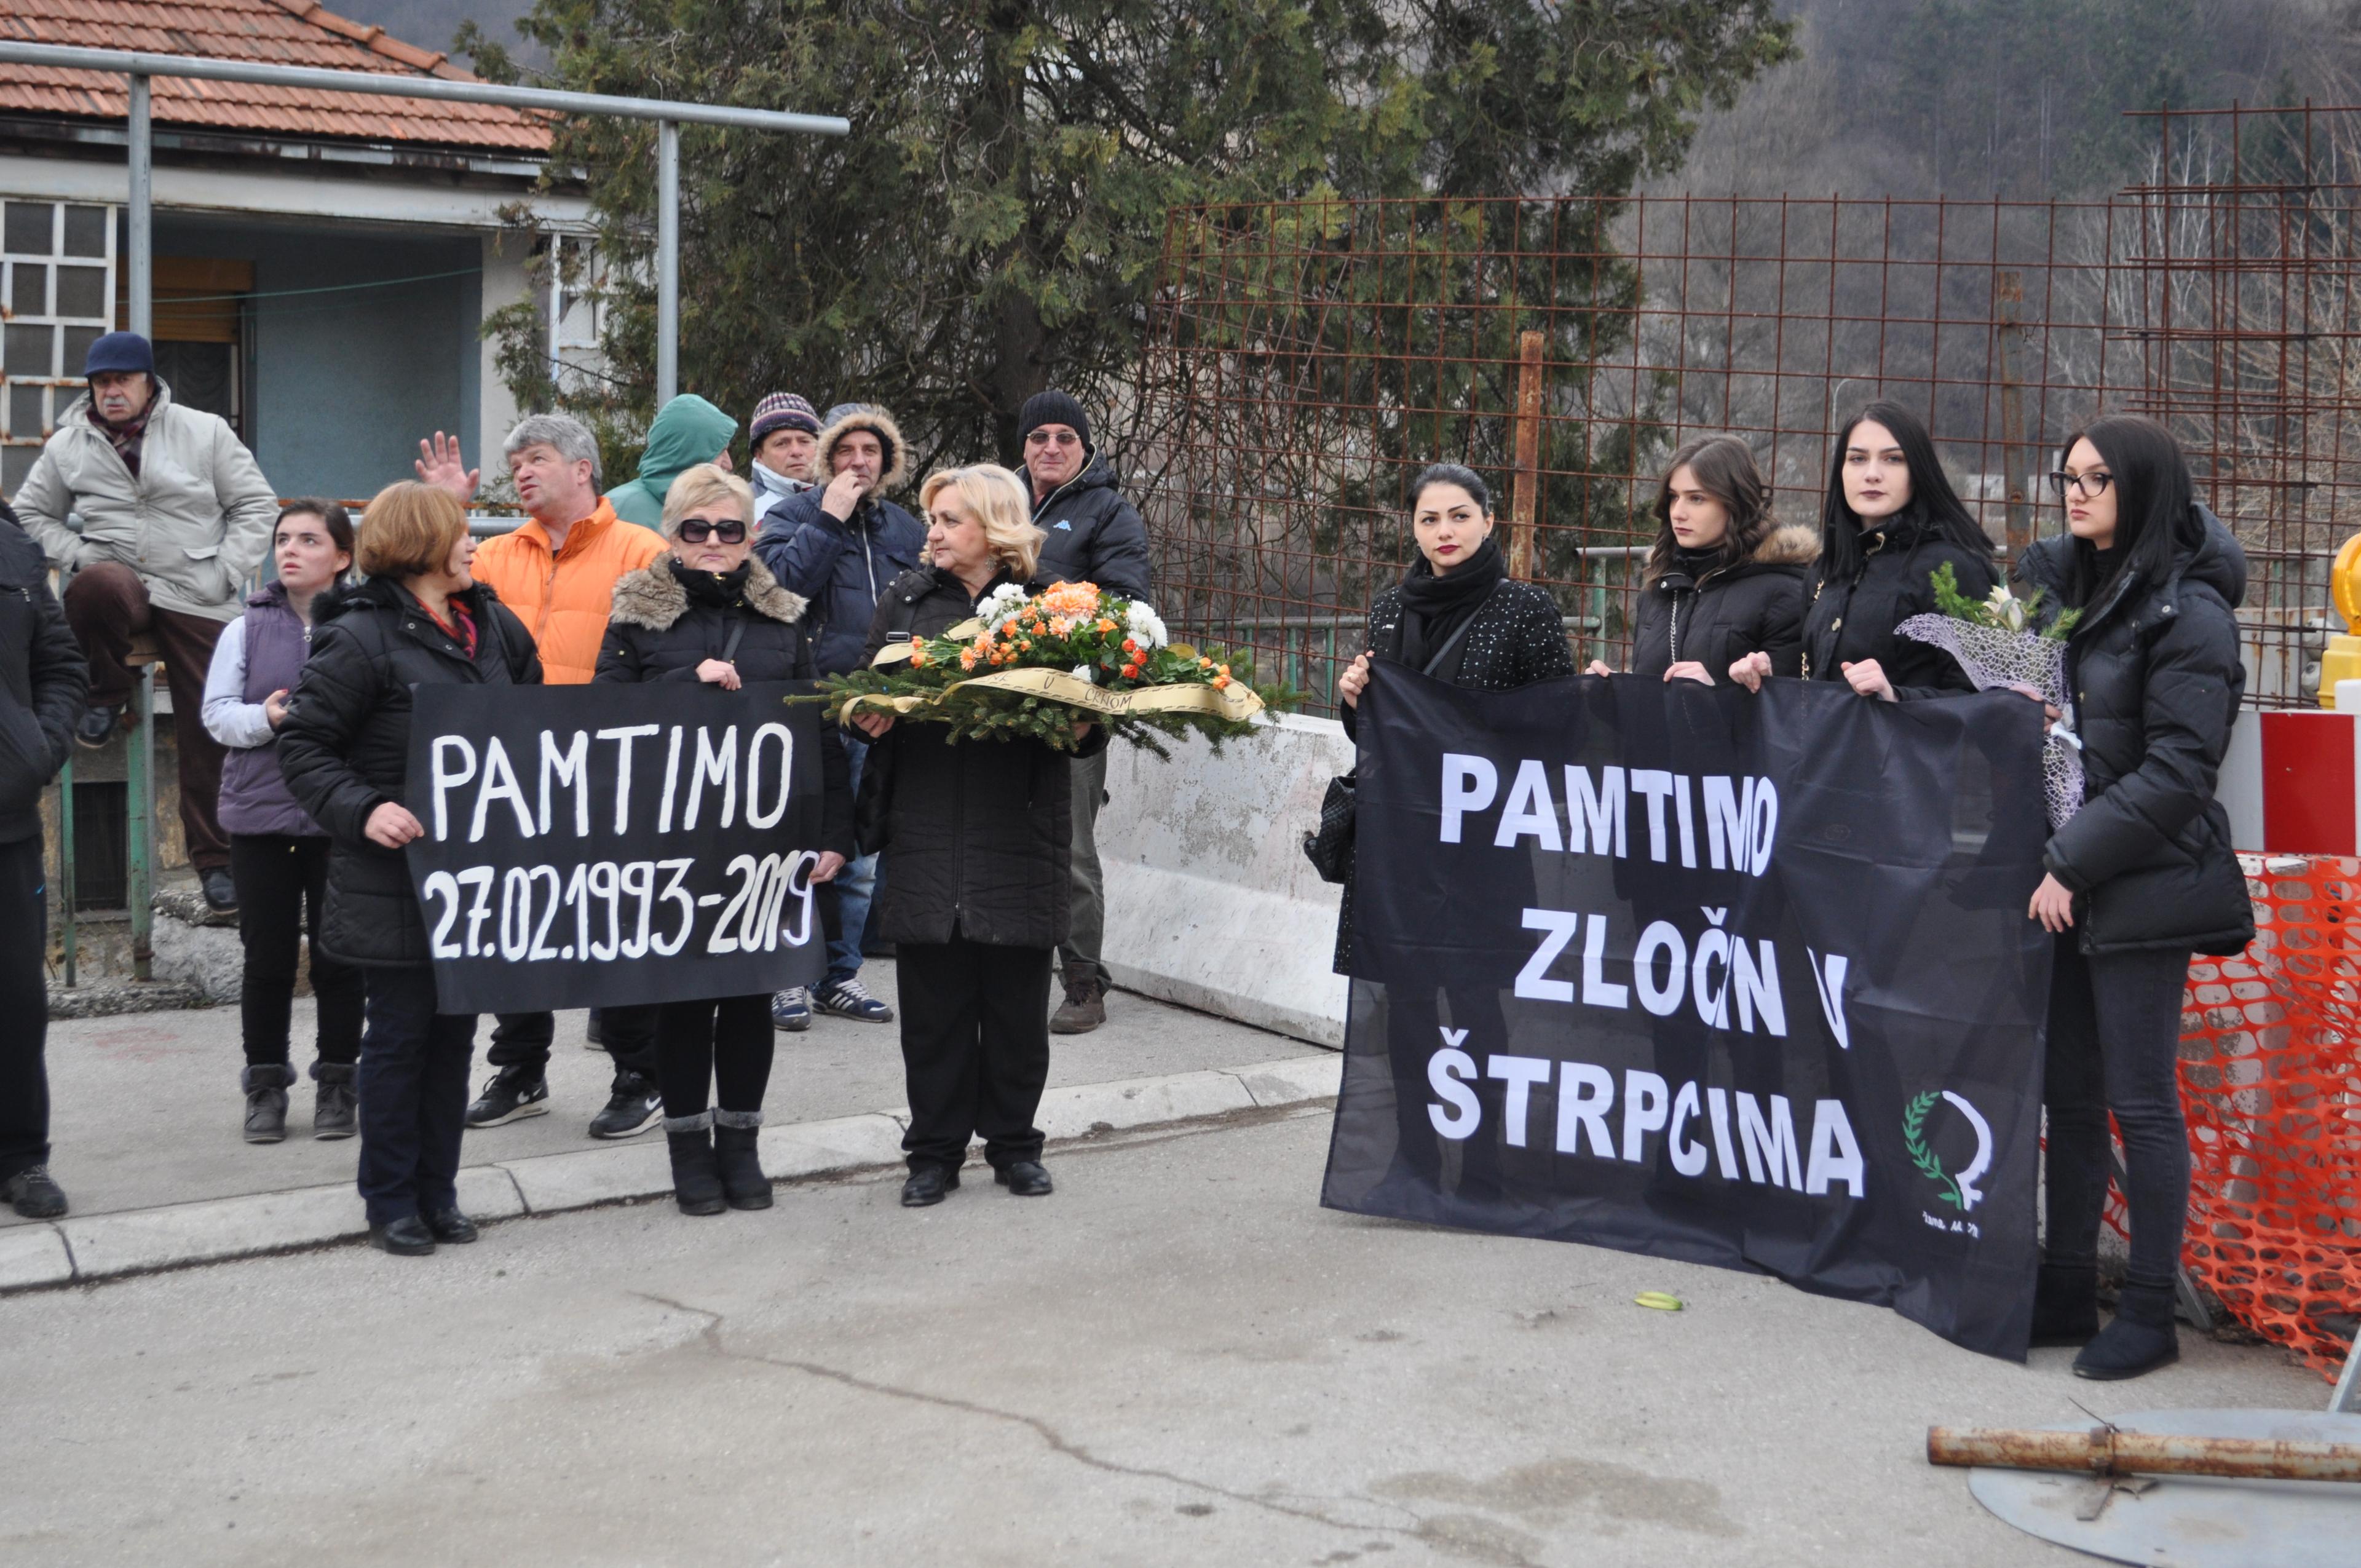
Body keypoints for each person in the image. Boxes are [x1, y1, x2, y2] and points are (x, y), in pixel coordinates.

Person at [2015, 416, 2251, 1380]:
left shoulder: (2191, 613)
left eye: (2098, 479)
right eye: (2069, 477)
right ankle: (2066, 1284)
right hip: (2063, 876)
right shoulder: (2069, 593)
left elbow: (2181, 771)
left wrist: (2071, 862)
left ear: (2144, 488)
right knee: (2068, 1096)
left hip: (2141, 880)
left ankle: (2150, 1310)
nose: (2076, 494)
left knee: (2142, 1102)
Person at [277, 483, 542, 1256]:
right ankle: (390, 1200)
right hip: (393, 880)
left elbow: (536, 721)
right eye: (462, 533)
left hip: (475, 877)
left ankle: (440, 1192)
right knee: (398, 1041)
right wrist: (363, 809)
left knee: (454, 1038)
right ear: (425, 545)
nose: (474, 546)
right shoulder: (357, 637)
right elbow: (304, 747)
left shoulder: (490, 624)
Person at [595, 464, 855, 1213]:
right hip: (670, 845)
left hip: (761, 846)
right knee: (681, 1003)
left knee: (748, 1000)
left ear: (752, 537)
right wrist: (681, 689)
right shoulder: (635, 615)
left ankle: (740, 1147)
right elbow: (600, 723)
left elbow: (818, 733)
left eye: (728, 529)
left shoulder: (784, 619)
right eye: (696, 529)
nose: (713, 542)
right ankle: (687, 1154)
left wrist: (836, 833)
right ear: (672, 536)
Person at [414, 416, 669, 1141]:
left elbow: (666, 660)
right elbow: (420, 585)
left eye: (537, 459)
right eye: (515, 463)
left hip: (610, 772)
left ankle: (638, 1076)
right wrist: (447, 511)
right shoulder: (492, 554)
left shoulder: (642, 551)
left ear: (583, 468)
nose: (521, 473)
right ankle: (521, 1069)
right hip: (513, 772)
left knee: (615, 928)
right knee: (512, 922)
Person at [850, 464, 1099, 1207]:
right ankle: (933, 1154)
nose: (932, 533)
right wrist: (868, 714)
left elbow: (1085, 728)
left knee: (1017, 1013)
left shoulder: (1049, 609)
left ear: (994, 529)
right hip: (924, 830)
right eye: (933, 520)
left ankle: (1016, 1148)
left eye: (950, 520)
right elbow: (861, 685)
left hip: (1019, 828)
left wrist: (1084, 720)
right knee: (934, 1015)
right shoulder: (906, 600)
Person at [1332, 464, 1576, 1198]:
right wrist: (1351, 701)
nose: (1445, 533)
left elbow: (1557, 727)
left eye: (1460, 517)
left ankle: (1486, 1171)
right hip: (1398, 848)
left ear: (1490, 522)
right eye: (1431, 519)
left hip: (1484, 849)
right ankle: (1412, 1163)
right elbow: (1375, 737)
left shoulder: (1526, 611)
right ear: (1412, 528)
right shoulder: (1387, 611)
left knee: (1476, 1009)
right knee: (1405, 1009)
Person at [12, 330, 277, 914]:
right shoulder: (69, 444)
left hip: (197, 589)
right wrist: (78, 552)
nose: (111, 393)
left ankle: (216, 862)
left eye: (122, 381)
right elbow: (29, 514)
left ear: (148, 382)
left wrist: (226, 570)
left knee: (209, 723)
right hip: (121, 582)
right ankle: (102, 695)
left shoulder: (203, 430)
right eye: (101, 382)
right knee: (92, 587)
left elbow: (257, 505)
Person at [754, 405, 925, 1030]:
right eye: (847, 451)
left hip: (875, 708)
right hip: (805, 703)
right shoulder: (792, 517)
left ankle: (840, 976)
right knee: (795, 847)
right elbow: (777, 593)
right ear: (829, 460)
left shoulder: (904, 528)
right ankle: (785, 978)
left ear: (887, 463)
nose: (859, 462)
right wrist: (828, 519)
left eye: (871, 452)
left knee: (858, 858)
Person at [200, 501, 365, 1144]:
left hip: (339, 818)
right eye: (281, 539)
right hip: (261, 821)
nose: (288, 550)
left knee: (339, 960)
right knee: (267, 960)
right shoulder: (246, 627)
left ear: (343, 557)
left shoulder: (363, 624)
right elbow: (216, 715)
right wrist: (264, 720)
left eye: (308, 539)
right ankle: (265, 1086)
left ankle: (338, 1083)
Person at [1014, 390, 1155, 1035]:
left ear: (1084, 448)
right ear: (1023, 446)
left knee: (1068, 845)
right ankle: (1009, 968)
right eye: (1039, 436)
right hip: (994, 700)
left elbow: (1124, 607)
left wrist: (1044, 612)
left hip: (1072, 705)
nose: (1050, 447)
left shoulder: (1110, 511)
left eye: (1064, 438)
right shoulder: (996, 499)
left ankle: (1083, 982)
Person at [1727, 400, 1998, 700]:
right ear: (1840, 471)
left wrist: (1894, 696)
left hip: (1909, 745)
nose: (1872, 474)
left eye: (1893, 459)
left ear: (1918, 471)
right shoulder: (1823, 571)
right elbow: (1815, 689)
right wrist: (1769, 677)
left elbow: (1983, 702)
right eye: (1857, 459)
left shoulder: (1953, 567)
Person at [0, 493, 89, 1219]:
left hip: (6, 825)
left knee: (17, 1002)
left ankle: (22, 1157)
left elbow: (62, 666)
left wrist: (41, 747)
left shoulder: (16, 551)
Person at [1584, 436, 1814, 683]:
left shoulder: (1784, 590)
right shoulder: (1661, 584)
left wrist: (1712, 695)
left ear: (1735, 503)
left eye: (1696, 499)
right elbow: (1652, 692)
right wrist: (1613, 690)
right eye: (1674, 497)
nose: (1678, 513)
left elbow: (1789, 709)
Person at [603, 394, 739, 531]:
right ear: (688, 453)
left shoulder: (714, 511)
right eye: (720, 451)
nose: (729, 464)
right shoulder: (618, 510)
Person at [746, 393, 823, 529]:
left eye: (804, 442)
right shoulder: (744, 507)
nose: (796, 451)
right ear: (760, 455)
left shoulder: (842, 497)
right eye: (782, 444)